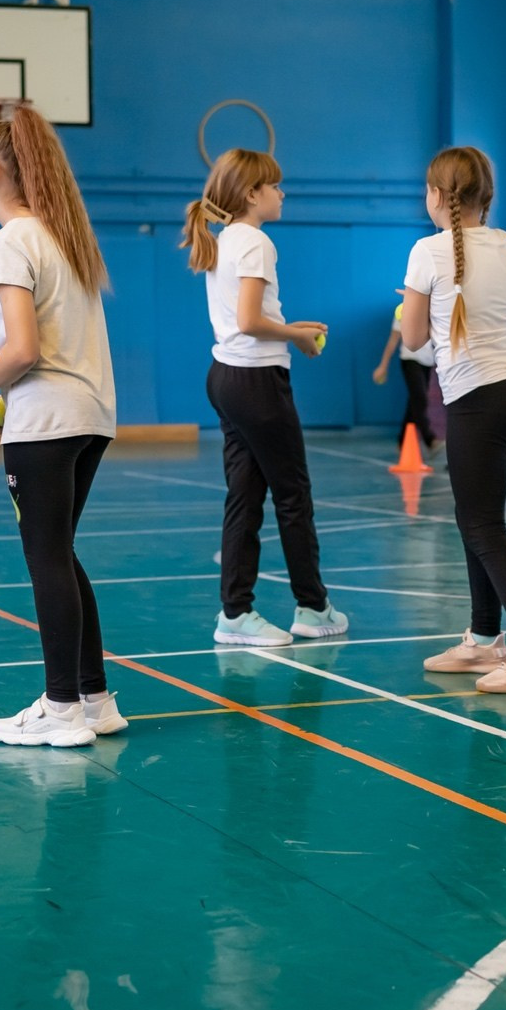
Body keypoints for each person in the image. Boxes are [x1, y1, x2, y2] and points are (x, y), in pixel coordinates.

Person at [0, 105, 122, 746]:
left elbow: (22, 349)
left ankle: (61, 708)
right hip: (90, 418)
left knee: (46, 559)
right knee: (61, 555)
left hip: (46, 421)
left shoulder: (8, 243)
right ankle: (94, 699)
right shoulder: (62, 236)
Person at [403, 146, 506, 693]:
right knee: (477, 516)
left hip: (480, 401)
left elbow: (413, 339)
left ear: (439, 196)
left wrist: (412, 304)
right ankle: (485, 637)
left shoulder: (426, 251)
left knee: (483, 526)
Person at [180, 148, 346, 647]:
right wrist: (295, 336)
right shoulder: (255, 242)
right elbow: (250, 321)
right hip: (256, 384)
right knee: (293, 495)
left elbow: (246, 319)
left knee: (245, 497)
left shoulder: (227, 239)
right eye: (275, 186)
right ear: (252, 194)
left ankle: (235, 613)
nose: (282, 193)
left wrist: (290, 327)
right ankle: (313, 607)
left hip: (226, 378)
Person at [373, 300, 439, 456]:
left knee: (414, 403)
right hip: (410, 360)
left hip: (428, 362)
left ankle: (402, 441)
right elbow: (393, 340)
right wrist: (383, 365)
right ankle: (430, 440)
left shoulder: (433, 308)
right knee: (420, 399)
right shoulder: (403, 310)